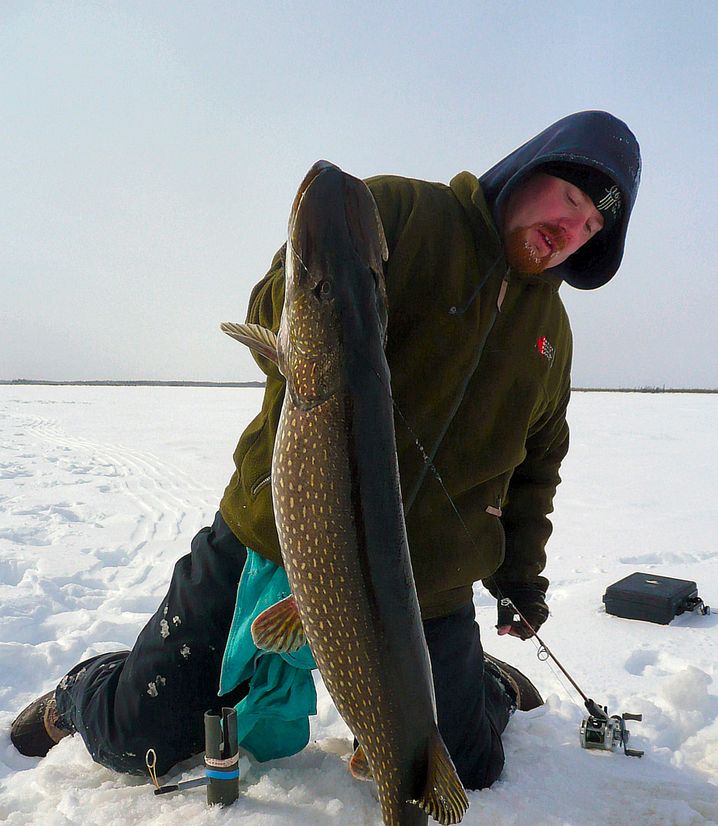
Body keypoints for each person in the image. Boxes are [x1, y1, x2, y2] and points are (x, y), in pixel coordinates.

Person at [11, 110, 641, 791]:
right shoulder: (399, 212)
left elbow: (536, 467)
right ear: (526, 168)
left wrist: (520, 578)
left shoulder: (551, 334)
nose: (570, 228)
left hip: (424, 584)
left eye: (591, 227)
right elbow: (274, 315)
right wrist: (308, 286)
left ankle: (481, 681)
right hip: (280, 536)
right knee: (141, 740)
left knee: (462, 769)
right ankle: (82, 692)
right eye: (570, 198)